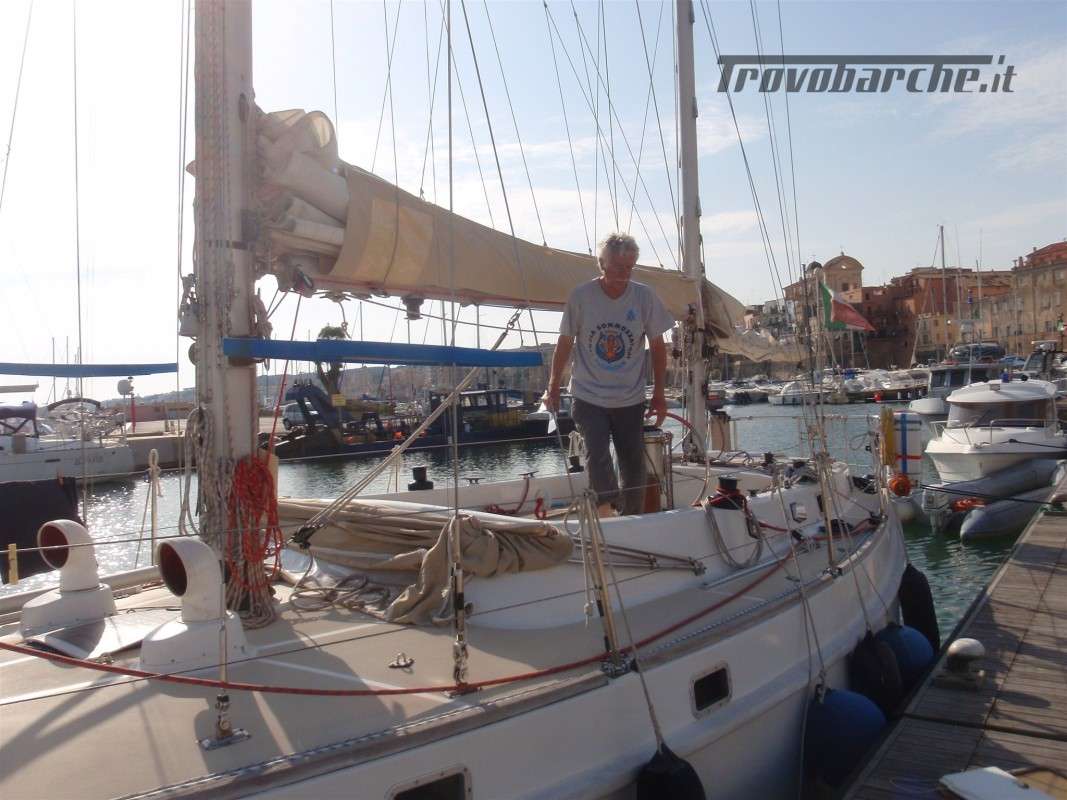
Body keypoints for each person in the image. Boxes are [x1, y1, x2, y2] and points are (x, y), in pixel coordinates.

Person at [544, 233, 673, 516]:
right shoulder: (581, 296)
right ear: (602, 264)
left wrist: (659, 394)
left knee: (633, 463)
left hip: (630, 397)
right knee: (597, 455)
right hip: (588, 395)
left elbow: (658, 346)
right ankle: (606, 511)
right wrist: (553, 385)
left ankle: (632, 517)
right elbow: (565, 342)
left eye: (629, 267)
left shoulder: (644, 297)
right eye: (617, 267)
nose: (624, 274)